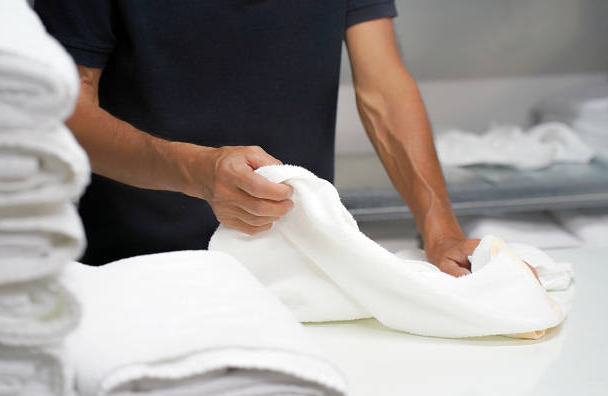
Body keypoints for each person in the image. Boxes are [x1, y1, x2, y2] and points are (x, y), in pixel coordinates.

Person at [34, 0, 479, 275]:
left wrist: (440, 230)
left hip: (297, 256)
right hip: (135, 265)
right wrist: (195, 171)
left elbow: (383, 87)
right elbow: (67, 110)